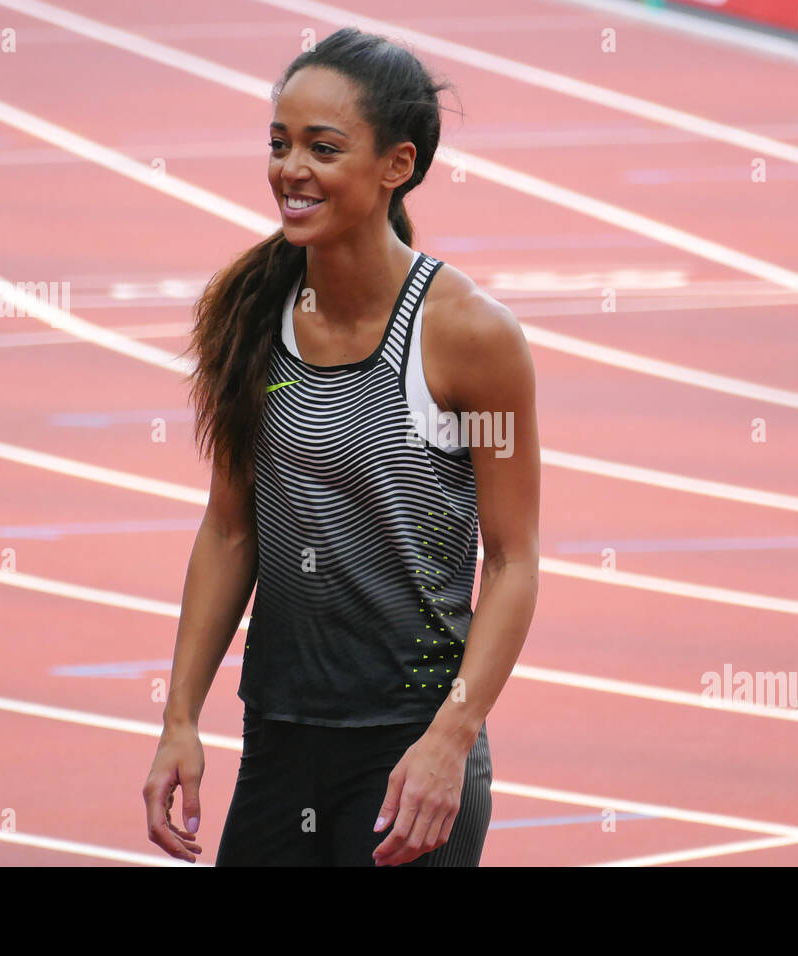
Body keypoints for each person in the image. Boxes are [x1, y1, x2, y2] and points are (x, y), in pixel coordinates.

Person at [141, 27, 540, 867]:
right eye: (279, 144)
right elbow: (229, 530)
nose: (291, 169)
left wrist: (451, 739)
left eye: (323, 148)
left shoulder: (470, 336)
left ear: (397, 165)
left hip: (411, 752)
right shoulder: (251, 311)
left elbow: (511, 561)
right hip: (280, 736)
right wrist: (180, 718)